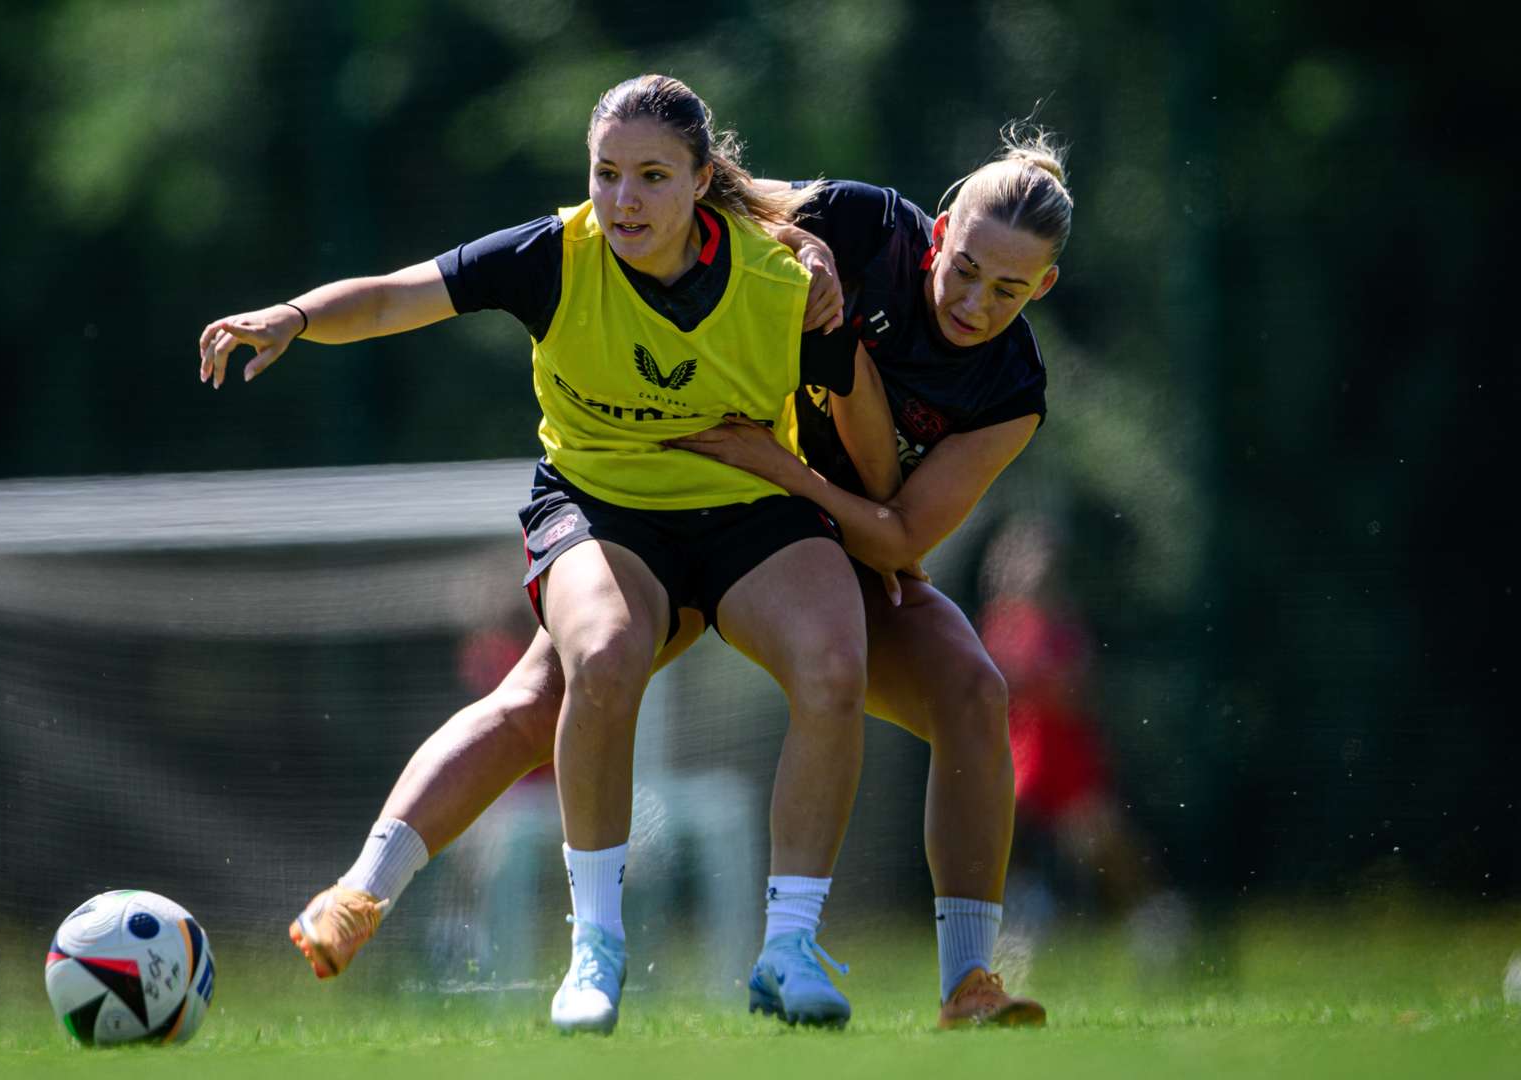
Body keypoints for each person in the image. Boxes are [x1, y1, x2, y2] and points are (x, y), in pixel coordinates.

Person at [276, 124, 1078, 1031]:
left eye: (1008, 290)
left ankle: (966, 983)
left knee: (974, 691)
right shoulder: (863, 225)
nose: (974, 302)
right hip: (704, 505)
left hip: (821, 529)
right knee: (551, 695)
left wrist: (787, 470)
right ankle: (365, 890)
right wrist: (802, 241)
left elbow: (899, 534)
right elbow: (715, 193)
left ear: (1043, 288)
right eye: (966, 269)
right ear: (939, 231)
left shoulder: (1011, 387)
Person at [198, 74, 890, 1034]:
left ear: (702, 181)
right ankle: (592, 950)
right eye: (606, 173)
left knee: (833, 664)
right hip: (603, 512)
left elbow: (860, 416)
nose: (623, 199)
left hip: (749, 511)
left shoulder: (780, 281)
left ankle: (790, 948)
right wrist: (295, 316)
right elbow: (399, 297)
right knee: (597, 658)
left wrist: (880, 512)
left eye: (652, 176)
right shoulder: (554, 255)